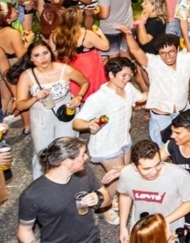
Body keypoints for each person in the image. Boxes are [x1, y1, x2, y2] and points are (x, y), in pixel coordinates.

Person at [73, 57, 146, 224]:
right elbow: (77, 122)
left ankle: (115, 199)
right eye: (123, 75)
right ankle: (103, 206)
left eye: (129, 76)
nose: (127, 79)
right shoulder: (99, 97)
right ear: (111, 74)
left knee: (125, 174)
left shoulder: (127, 88)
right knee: (117, 178)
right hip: (106, 145)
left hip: (123, 140)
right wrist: (88, 125)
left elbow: (140, 98)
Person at [120, 32, 190, 145]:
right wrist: (129, 34)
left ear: (178, 49)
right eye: (163, 53)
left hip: (183, 110)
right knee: (163, 145)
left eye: (171, 52)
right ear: (158, 53)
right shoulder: (152, 62)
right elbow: (136, 51)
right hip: (161, 116)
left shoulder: (187, 58)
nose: (168, 56)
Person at [10, 41, 89, 178]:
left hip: (65, 112)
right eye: (37, 55)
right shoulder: (27, 76)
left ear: (51, 54)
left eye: (45, 53)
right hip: (41, 115)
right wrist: (35, 97)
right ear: (31, 59)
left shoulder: (65, 69)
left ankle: (70, 179)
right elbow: (20, 105)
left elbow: (84, 82)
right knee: (43, 150)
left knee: (68, 148)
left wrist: (79, 97)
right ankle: (43, 182)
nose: (43, 58)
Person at [17, 137, 109, 243]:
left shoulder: (85, 172)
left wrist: (99, 199)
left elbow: (107, 199)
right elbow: (24, 231)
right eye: (83, 154)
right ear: (67, 162)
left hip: (91, 239)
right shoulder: (32, 195)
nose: (87, 157)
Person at [117, 139, 190, 242]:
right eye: (147, 169)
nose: (154, 172)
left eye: (158, 164)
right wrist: (122, 226)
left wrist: (163, 222)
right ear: (134, 166)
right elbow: (125, 195)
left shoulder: (179, 175)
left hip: (170, 231)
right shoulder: (127, 174)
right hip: (142, 230)